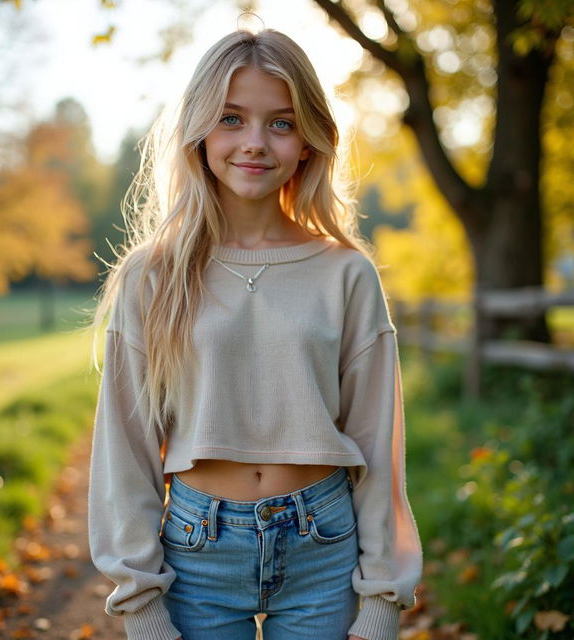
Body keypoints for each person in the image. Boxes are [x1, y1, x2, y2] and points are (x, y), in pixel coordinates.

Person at [88, 27, 422, 640]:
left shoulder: (346, 273)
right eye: (232, 118)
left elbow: (378, 448)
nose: (254, 143)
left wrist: (383, 599)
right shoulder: (153, 274)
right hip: (196, 550)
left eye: (281, 123)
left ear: (308, 141)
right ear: (199, 130)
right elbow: (126, 447)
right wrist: (139, 604)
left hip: (325, 546)